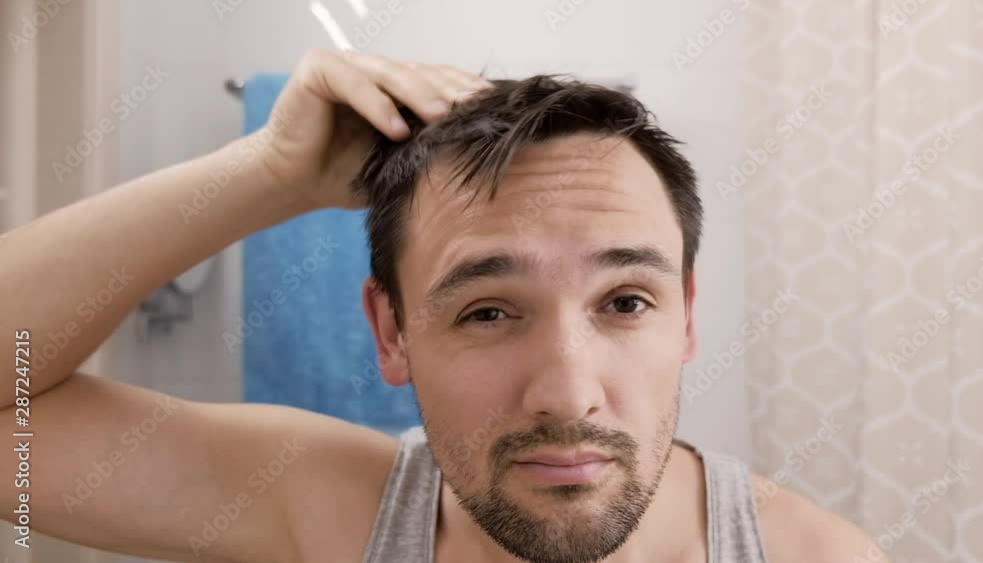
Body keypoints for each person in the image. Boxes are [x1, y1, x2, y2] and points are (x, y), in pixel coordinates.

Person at [1, 49, 887, 563]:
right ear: (391, 330)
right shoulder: (332, 509)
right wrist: (267, 174)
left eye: (624, 300)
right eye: (489, 311)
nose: (568, 394)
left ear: (686, 317)